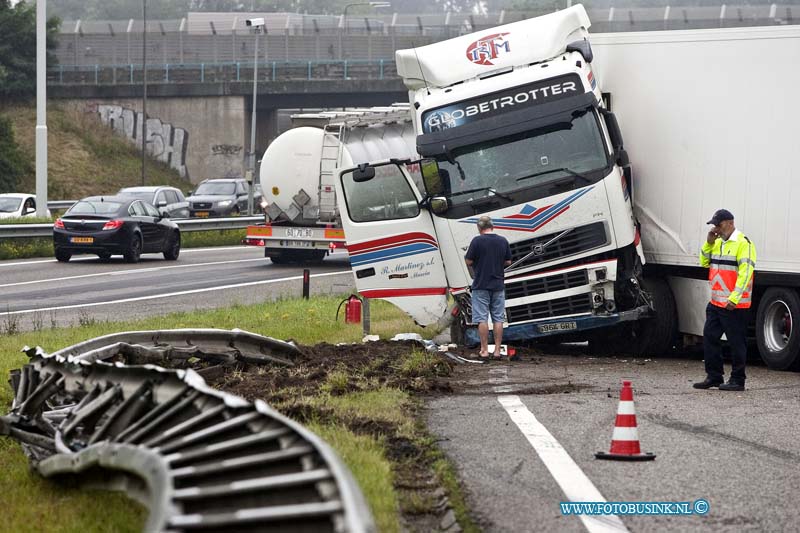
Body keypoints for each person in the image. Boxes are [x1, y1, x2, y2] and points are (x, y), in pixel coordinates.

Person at [693, 209, 757, 391]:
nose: (716, 229)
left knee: (737, 342)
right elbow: (704, 263)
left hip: (734, 305)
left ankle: (738, 380)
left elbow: (746, 274)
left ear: (730, 223)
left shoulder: (744, 244)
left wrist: (734, 299)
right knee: (710, 337)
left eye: (718, 225)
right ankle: (714, 376)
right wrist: (708, 243)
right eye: (714, 225)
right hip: (716, 303)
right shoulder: (718, 242)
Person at [464, 216, 512, 359]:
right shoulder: (503, 240)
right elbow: (508, 261)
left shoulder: (477, 241)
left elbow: (468, 260)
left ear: (479, 228)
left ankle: (484, 350)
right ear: (492, 226)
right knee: (498, 319)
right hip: (498, 285)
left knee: (482, 319)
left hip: (480, 285)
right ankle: (497, 351)